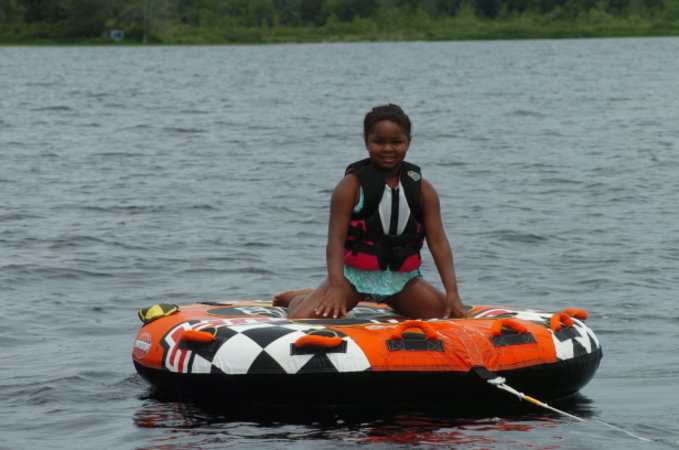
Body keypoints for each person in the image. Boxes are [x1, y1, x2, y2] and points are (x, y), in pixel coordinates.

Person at [274, 104, 470, 320]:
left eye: (396, 142)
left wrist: (452, 292)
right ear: (367, 141)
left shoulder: (423, 190)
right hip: (354, 278)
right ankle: (299, 298)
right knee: (301, 320)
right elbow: (336, 241)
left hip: (401, 280)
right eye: (379, 141)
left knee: (451, 317)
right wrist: (336, 287)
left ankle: (399, 304)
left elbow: (438, 241)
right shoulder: (350, 187)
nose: (388, 149)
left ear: (408, 142)